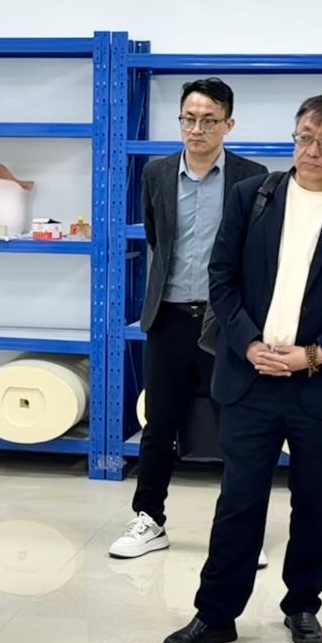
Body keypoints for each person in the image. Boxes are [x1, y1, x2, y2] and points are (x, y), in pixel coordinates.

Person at [161, 96, 322, 643]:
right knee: (239, 500)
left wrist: (314, 354)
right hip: (251, 378)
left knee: (315, 503)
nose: (312, 151)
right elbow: (222, 278)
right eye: (305, 137)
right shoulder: (253, 197)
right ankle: (216, 613)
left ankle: (302, 606)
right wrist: (249, 344)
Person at [110, 78, 267, 561]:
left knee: (235, 429)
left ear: (228, 124)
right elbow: (157, 238)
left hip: (227, 321)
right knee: (159, 425)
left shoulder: (252, 177)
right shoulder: (157, 173)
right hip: (170, 316)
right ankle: (149, 519)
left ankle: (241, 532)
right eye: (188, 119)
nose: (197, 129)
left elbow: (256, 251)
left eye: (208, 120)